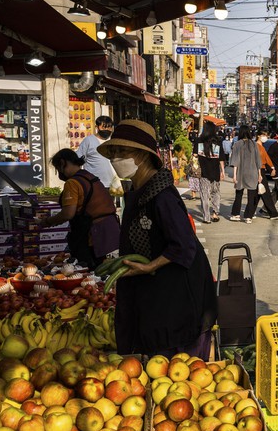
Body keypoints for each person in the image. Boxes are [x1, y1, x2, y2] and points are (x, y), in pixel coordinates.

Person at [97, 120, 217, 358]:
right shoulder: (138, 191)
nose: (115, 159)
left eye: (122, 152)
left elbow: (183, 244)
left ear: (142, 156)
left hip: (176, 295)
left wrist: (150, 266)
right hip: (154, 293)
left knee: (177, 364)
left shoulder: (161, 196)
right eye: (113, 153)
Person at [39, 148, 120, 269]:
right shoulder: (89, 177)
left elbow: (68, 214)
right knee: (104, 271)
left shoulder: (72, 183)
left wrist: (47, 222)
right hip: (110, 231)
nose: (59, 173)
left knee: (88, 271)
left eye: (57, 169)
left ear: (62, 163)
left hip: (92, 235)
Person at [229, 126, 278, 222]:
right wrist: (259, 174)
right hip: (253, 173)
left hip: (241, 173)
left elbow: (235, 161)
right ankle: (248, 217)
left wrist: (234, 175)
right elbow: (258, 162)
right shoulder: (254, 144)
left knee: (239, 194)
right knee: (251, 195)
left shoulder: (237, 144)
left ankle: (236, 214)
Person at [195, 121, 224, 223]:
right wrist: (222, 171)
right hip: (215, 171)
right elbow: (221, 159)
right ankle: (215, 213)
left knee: (204, 195)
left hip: (203, 172)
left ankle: (206, 218)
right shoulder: (218, 141)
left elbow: (195, 156)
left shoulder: (198, 141)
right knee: (216, 193)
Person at [76, 115, 116, 188]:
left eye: (109, 127)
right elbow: (78, 160)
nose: (107, 129)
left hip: (113, 184)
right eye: (104, 127)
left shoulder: (113, 142)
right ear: (97, 127)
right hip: (94, 184)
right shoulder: (88, 141)